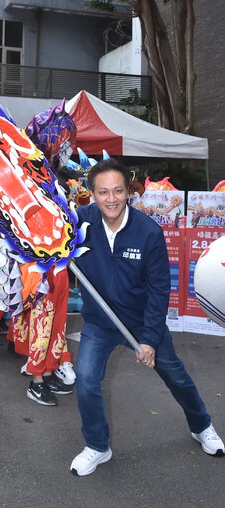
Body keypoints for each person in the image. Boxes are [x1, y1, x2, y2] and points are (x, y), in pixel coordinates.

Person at [70, 158, 224, 476]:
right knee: (85, 382)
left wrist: (150, 339)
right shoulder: (78, 224)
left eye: (117, 191)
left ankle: (202, 425)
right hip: (99, 323)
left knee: (176, 377)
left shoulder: (148, 232)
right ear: (92, 194)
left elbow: (158, 290)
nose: (110, 199)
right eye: (102, 192)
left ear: (129, 192)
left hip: (141, 321)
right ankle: (98, 447)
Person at [9, 265, 74, 406]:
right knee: (42, 329)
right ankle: (37, 382)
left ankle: (48, 373)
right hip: (41, 273)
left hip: (60, 270)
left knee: (58, 326)